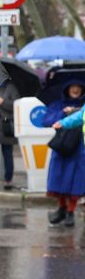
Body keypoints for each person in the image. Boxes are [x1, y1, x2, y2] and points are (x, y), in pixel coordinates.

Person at [45, 81, 85, 227]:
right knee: (58, 178)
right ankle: (62, 208)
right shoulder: (58, 104)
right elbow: (47, 120)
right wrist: (63, 117)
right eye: (72, 87)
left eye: (78, 87)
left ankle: (70, 211)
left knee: (76, 181)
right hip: (62, 147)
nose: (75, 90)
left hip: (79, 150)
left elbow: (79, 116)